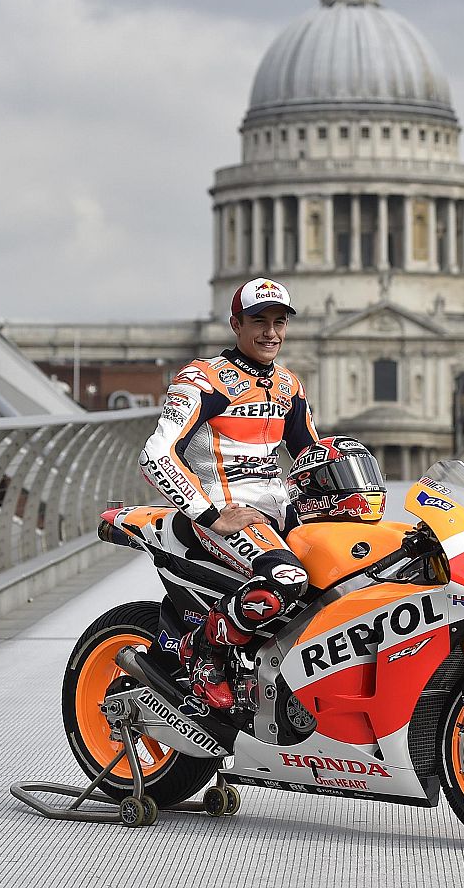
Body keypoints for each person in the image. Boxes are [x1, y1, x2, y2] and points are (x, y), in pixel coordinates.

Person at [139, 277, 319, 710]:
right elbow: (155, 454)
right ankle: (206, 654)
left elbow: (313, 455)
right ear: (236, 323)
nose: (271, 333)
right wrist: (212, 515)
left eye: (279, 322)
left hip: (277, 514)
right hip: (220, 516)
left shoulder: (289, 385)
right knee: (286, 580)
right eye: (259, 321)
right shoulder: (203, 380)